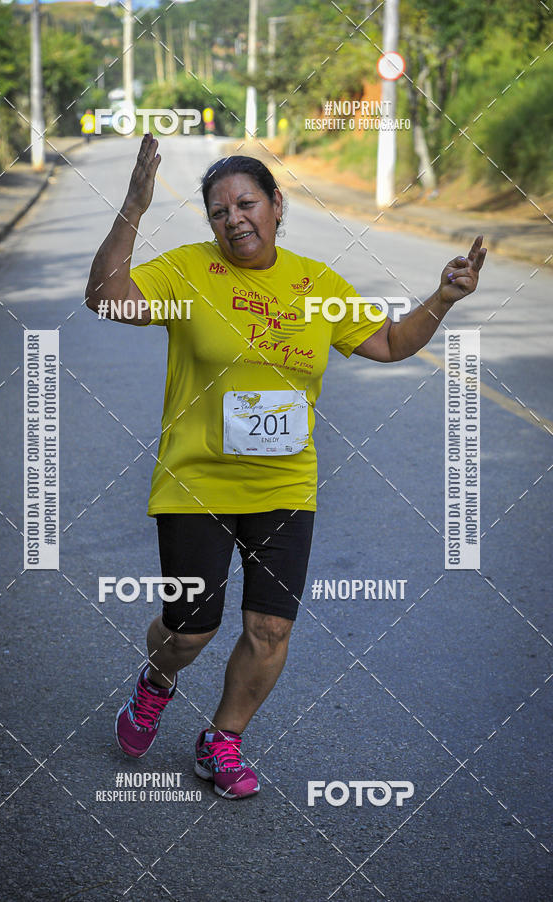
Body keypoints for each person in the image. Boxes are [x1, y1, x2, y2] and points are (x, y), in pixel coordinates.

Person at [85, 134, 487, 800]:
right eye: (219, 211)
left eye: (246, 203)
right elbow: (106, 298)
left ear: (276, 206)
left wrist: (442, 298)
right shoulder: (187, 272)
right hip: (198, 483)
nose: (234, 219)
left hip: (284, 484)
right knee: (191, 630)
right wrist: (133, 204)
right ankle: (157, 681)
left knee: (269, 626)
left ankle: (223, 740)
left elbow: (388, 341)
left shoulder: (316, 284)